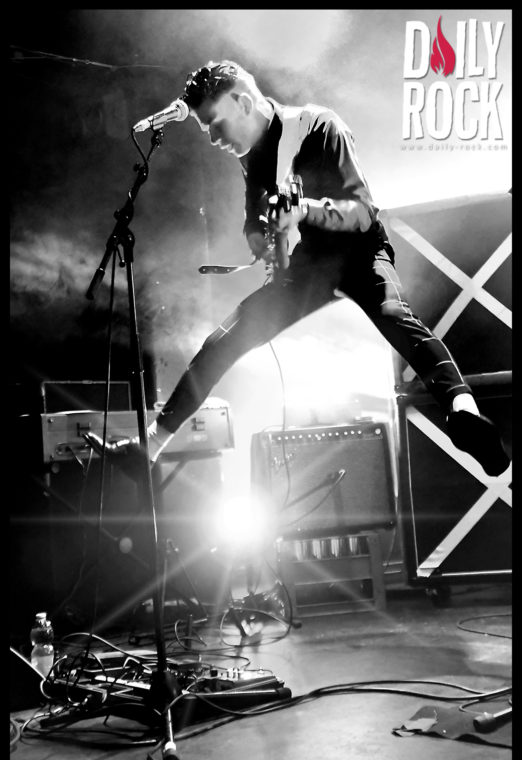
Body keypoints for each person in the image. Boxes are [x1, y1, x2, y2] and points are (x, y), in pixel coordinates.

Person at [84, 60, 510, 478]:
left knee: (395, 316)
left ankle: (464, 413)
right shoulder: (251, 155)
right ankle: (149, 448)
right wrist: (258, 236)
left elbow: (363, 212)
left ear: (243, 102)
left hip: (360, 252)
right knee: (223, 342)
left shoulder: (321, 127)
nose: (213, 138)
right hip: (309, 267)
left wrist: (304, 210)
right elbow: (253, 213)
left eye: (215, 123)